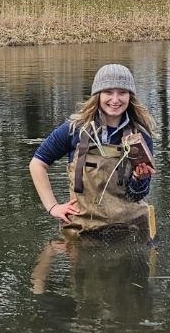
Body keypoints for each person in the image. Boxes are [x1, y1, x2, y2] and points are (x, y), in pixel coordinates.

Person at [28, 63, 155, 237]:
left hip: (130, 229)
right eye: (108, 92)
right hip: (83, 229)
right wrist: (53, 207)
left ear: (130, 96)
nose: (115, 99)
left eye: (122, 92)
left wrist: (139, 179)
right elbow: (37, 164)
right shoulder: (74, 129)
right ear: (98, 95)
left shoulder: (141, 135)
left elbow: (136, 195)